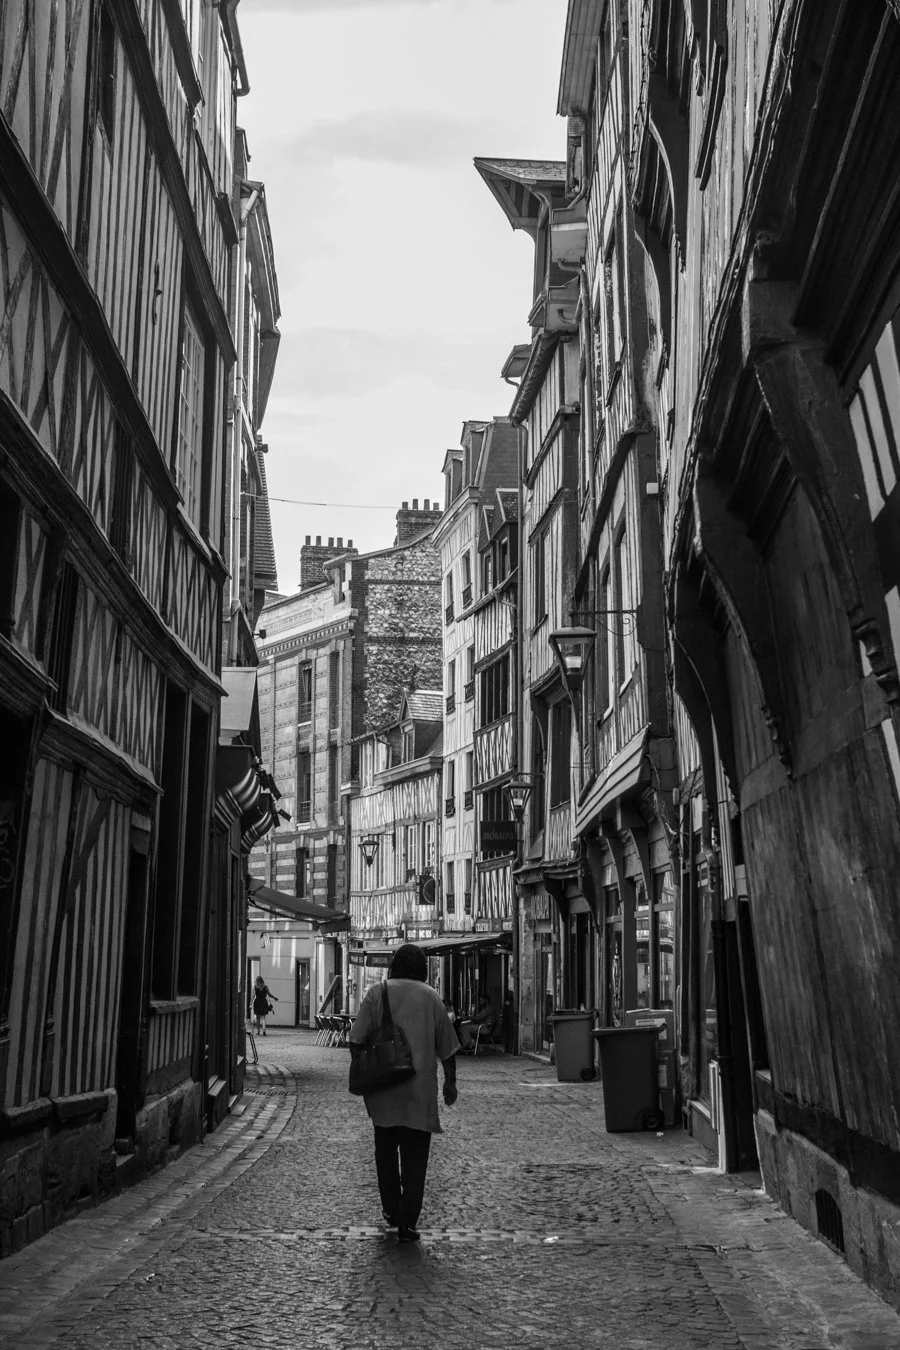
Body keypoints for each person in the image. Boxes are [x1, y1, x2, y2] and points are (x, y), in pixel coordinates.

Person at [349, 943, 459, 1243]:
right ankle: (408, 1221)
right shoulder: (431, 998)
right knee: (415, 1161)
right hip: (419, 1095)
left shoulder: (377, 993)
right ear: (422, 968)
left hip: (384, 1093)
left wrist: (369, 1068)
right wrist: (450, 1084)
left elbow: (356, 1040)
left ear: (394, 966)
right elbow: (448, 1049)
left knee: (385, 1156)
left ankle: (391, 1209)